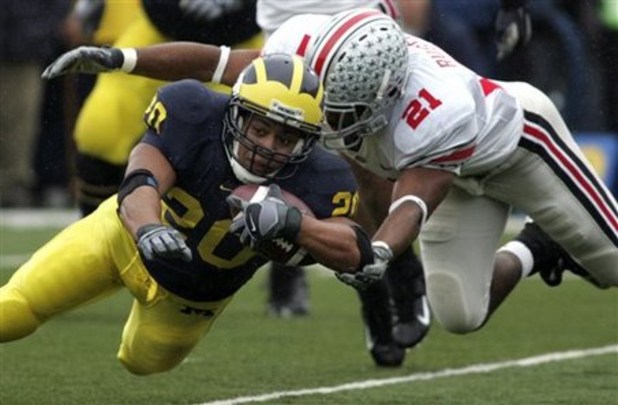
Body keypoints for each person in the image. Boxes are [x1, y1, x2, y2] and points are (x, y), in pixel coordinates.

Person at [41, 8, 617, 337]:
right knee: (462, 316)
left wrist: (382, 258)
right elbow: (221, 62)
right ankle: (537, 249)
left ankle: (570, 235)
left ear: (389, 93)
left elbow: (413, 203)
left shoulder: (436, 111)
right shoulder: (306, 46)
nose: (330, 123)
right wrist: (123, 60)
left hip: (518, 147)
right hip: (449, 173)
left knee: (614, 265)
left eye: (344, 112)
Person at [0, 54, 376, 375]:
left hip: (191, 300)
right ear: (237, 112)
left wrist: (295, 224)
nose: (267, 147)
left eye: (286, 138)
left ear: (306, 142)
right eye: (260, 129)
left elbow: (355, 251)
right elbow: (140, 179)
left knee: (140, 361)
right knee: (16, 309)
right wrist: (148, 229)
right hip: (120, 238)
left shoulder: (323, 176)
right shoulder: (192, 113)